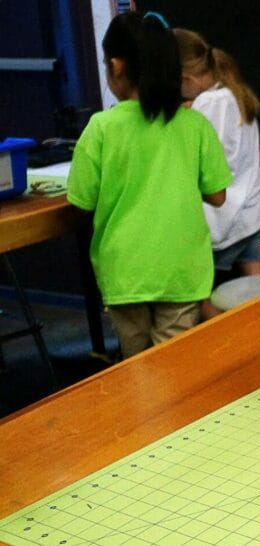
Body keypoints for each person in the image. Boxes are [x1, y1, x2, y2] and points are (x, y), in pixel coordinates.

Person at [67, 12, 232, 358]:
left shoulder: (100, 128)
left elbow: (80, 202)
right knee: (172, 365)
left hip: (125, 274)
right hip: (182, 270)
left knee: (138, 367)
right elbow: (218, 196)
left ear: (116, 66)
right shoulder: (195, 125)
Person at [175, 28, 260, 319]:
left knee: (199, 303)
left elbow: (196, 159)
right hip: (254, 215)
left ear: (185, 79)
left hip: (222, 223)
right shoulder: (235, 93)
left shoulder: (205, 105)